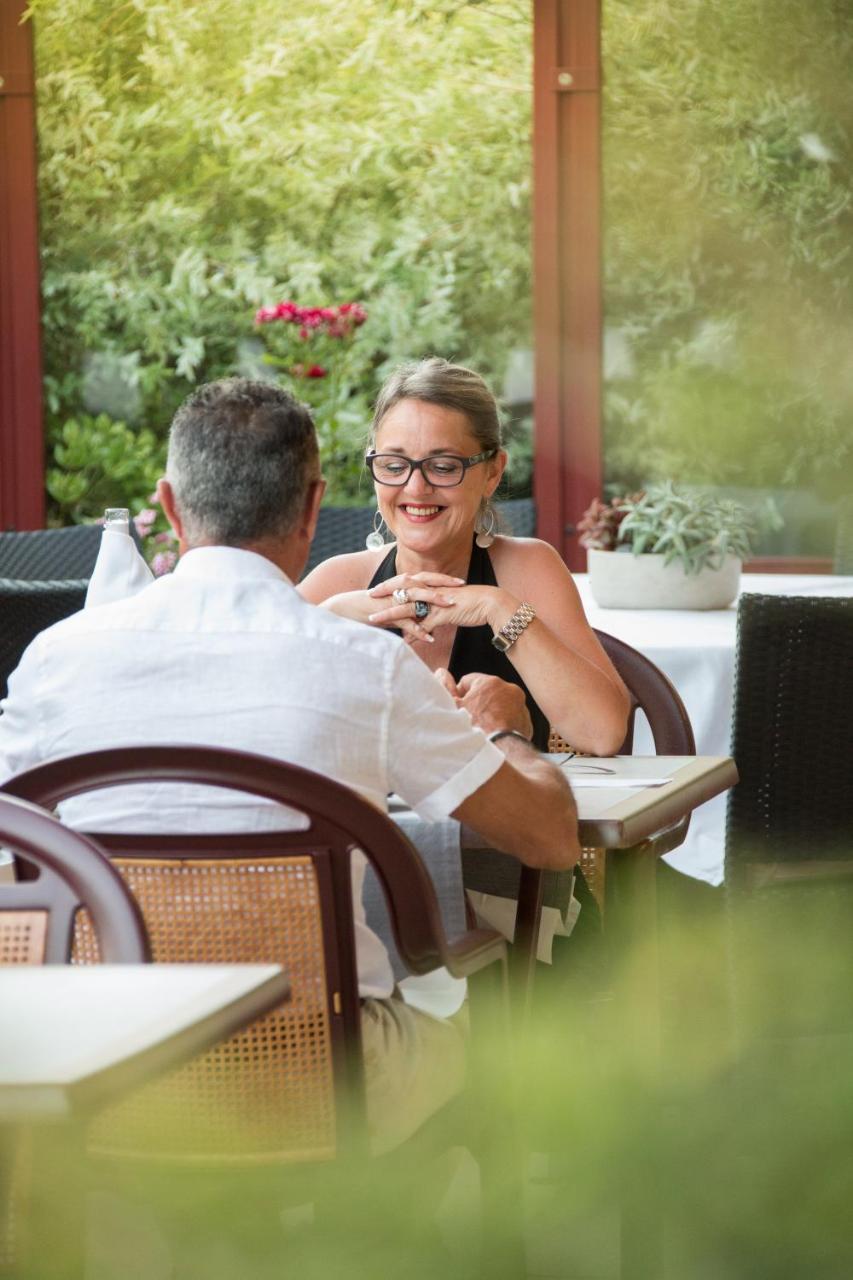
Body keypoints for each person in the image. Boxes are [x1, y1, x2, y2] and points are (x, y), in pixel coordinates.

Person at [0, 377, 578, 1153]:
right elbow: (548, 839)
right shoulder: (365, 666)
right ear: (314, 508)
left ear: (169, 508)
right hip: (324, 1070)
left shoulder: (56, 658)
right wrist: (505, 730)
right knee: (472, 1022)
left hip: (105, 1070)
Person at [298, 357, 630, 755]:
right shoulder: (337, 582)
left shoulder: (527, 570)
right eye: (394, 465)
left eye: (443, 466)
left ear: (492, 472)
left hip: (507, 815)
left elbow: (603, 733)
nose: (415, 488)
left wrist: (498, 607)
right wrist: (328, 618)